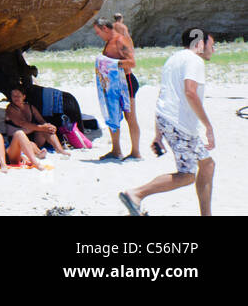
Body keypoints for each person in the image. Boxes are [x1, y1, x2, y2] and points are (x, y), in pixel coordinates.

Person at [120, 28, 215, 216]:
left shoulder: (173, 59)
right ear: (200, 44)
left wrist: (158, 133)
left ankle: (206, 215)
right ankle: (136, 194)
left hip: (167, 119)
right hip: (180, 125)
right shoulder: (194, 60)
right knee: (187, 175)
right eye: (212, 45)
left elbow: (163, 94)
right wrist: (208, 126)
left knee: (206, 164)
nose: (213, 49)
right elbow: (190, 92)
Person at [92, 18, 139, 159]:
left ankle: (136, 152)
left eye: (98, 32)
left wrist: (110, 64)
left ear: (105, 28)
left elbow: (132, 62)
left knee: (130, 117)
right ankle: (116, 150)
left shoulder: (120, 41)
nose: (97, 35)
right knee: (112, 114)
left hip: (127, 82)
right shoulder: (109, 42)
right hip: (113, 84)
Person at [5, 88, 68, 154]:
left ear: (24, 96)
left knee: (47, 130)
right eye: (13, 96)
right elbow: (22, 123)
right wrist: (42, 127)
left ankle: (60, 150)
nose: (16, 98)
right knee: (32, 142)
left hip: (33, 137)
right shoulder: (10, 109)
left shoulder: (30, 107)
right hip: (17, 141)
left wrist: (48, 126)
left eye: (18, 96)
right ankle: (39, 153)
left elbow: (41, 121)